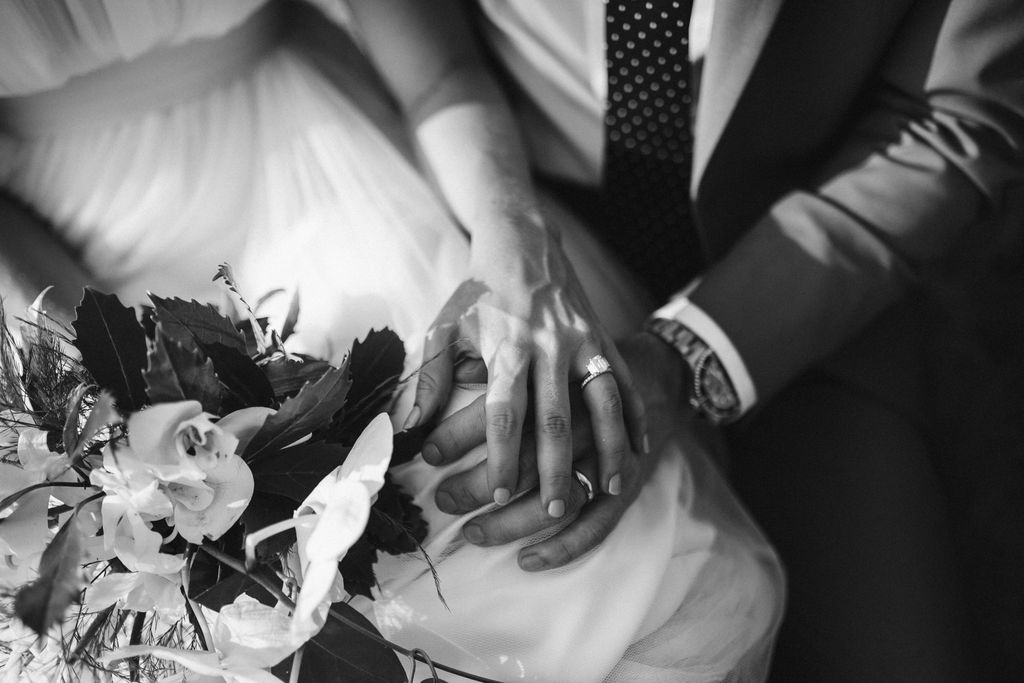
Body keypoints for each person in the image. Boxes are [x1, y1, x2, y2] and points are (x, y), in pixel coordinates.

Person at [0, 1, 783, 680]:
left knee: (496, 449)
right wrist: (118, 402)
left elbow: (439, 72)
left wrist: (510, 237)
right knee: (246, 586)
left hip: (328, 157)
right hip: (73, 257)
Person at [390, 0, 1024, 680]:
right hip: (507, 208)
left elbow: (949, 121)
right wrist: (512, 227)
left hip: (799, 269)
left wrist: (683, 360)